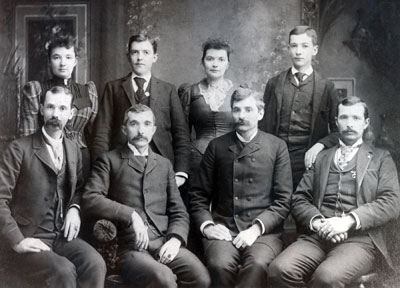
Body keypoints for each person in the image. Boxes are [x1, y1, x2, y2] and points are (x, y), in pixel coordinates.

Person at [268, 96, 400, 288]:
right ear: (336, 122)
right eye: (344, 118)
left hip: (359, 240)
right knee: (279, 270)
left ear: (366, 123)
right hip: (317, 236)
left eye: (355, 118)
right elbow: (299, 198)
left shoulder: (381, 158)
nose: (349, 124)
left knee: (327, 277)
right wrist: (319, 222)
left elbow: (391, 202)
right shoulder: (322, 158)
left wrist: (347, 221)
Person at [83, 104, 210, 288]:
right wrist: (131, 215)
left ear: (154, 130)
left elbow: (179, 211)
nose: (141, 130)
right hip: (129, 247)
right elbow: (90, 198)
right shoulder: (109, 160)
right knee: (163, 278)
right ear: (124, 129)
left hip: (163, 241)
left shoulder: (164, 165)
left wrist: (175, 239)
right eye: (134, 124)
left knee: (201, 278)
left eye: (146, 124)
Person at [0, 86, 106, 288]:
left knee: (95, 263)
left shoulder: (74, 148)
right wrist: (17, 240)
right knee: (63, 271)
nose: (55, 114)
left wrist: (75, 209)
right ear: (41, 109)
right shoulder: (19, 148)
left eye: (62, 108)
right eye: (50, 107)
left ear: (71, 113)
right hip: (29, 236)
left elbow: (79, 189)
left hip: (61, 236)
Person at [189, 87, 293, 288]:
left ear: (260, 113)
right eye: (236, 110)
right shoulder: (217, 146)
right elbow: (198, 195)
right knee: (219, 264)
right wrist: (209, 226)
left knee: (258, 264)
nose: (241, 116)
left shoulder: (276, 146)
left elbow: (283, 200)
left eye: (248, 109)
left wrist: (256, 229)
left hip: (264, 232)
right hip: (224, 228)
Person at [91, 33, 190, 188]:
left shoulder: (168, 90)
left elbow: (181, 135)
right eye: (134, 52)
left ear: (155, 57)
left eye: (145, 52)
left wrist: (180, 173)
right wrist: (101, 170)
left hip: (161, 167)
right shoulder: (113, 88)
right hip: (121, 167)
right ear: (128, 56)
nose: (140, 58)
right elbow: (101, 134)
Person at [260, 25, 339, 189]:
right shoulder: (274, 84)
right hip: (275, 160)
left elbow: (338, 132)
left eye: (304, 46)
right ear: (288, 49)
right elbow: (262, 126)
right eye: (294, 46)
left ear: (315, 50)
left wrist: (320, 145)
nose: (298, 51)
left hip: (310, 161)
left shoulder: (326, 87)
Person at [19, 33, 98, 180]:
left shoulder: (87, 91)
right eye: (57, 57)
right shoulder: (37, 90)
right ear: (49, 61)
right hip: (46, 159)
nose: (63, 63)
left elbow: (95, 134)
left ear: (75, 61)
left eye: (68, 57)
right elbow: (26, 135)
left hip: (82, 160)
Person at [179, 38, 235, 177]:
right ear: (202, 61)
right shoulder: (190, 92)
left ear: (228, 64)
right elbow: (182, 133)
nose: (215, 64)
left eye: (221, 59)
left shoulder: (238, 92)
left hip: (232, 159)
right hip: (198, 160)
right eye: (210, 59)